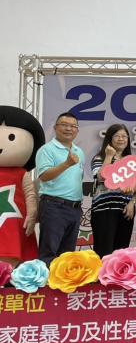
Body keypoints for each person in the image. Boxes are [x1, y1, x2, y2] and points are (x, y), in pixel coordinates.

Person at [36, 112, 85, 264]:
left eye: (73, 126)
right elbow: (44, 176)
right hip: (54, 206)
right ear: (55, 128)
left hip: (74, 208)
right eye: (64, 125)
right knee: (49, 252)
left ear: (77, 130)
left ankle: (62, 280)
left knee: (67, 255)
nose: (68, 129)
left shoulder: (79, 152)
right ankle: (46, 280)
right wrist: (66, 164)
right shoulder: (47, 150)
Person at [0, 106, 45, 265]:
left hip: (17, 223)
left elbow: (30, 195)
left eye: (11, 137)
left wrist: (32, 215)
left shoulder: (21, 173)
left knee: (15, 250)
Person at [90, 124, 136, 257]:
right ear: (110, 139)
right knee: (104, 252)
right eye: (117, 136)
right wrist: (109, 156)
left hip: (125, 211)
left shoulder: (131, 161)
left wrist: (132, 202)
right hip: (104, 210)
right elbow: (101, 177)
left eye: (124, 136)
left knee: (121, 253)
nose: (121, 139)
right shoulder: (99, 158)